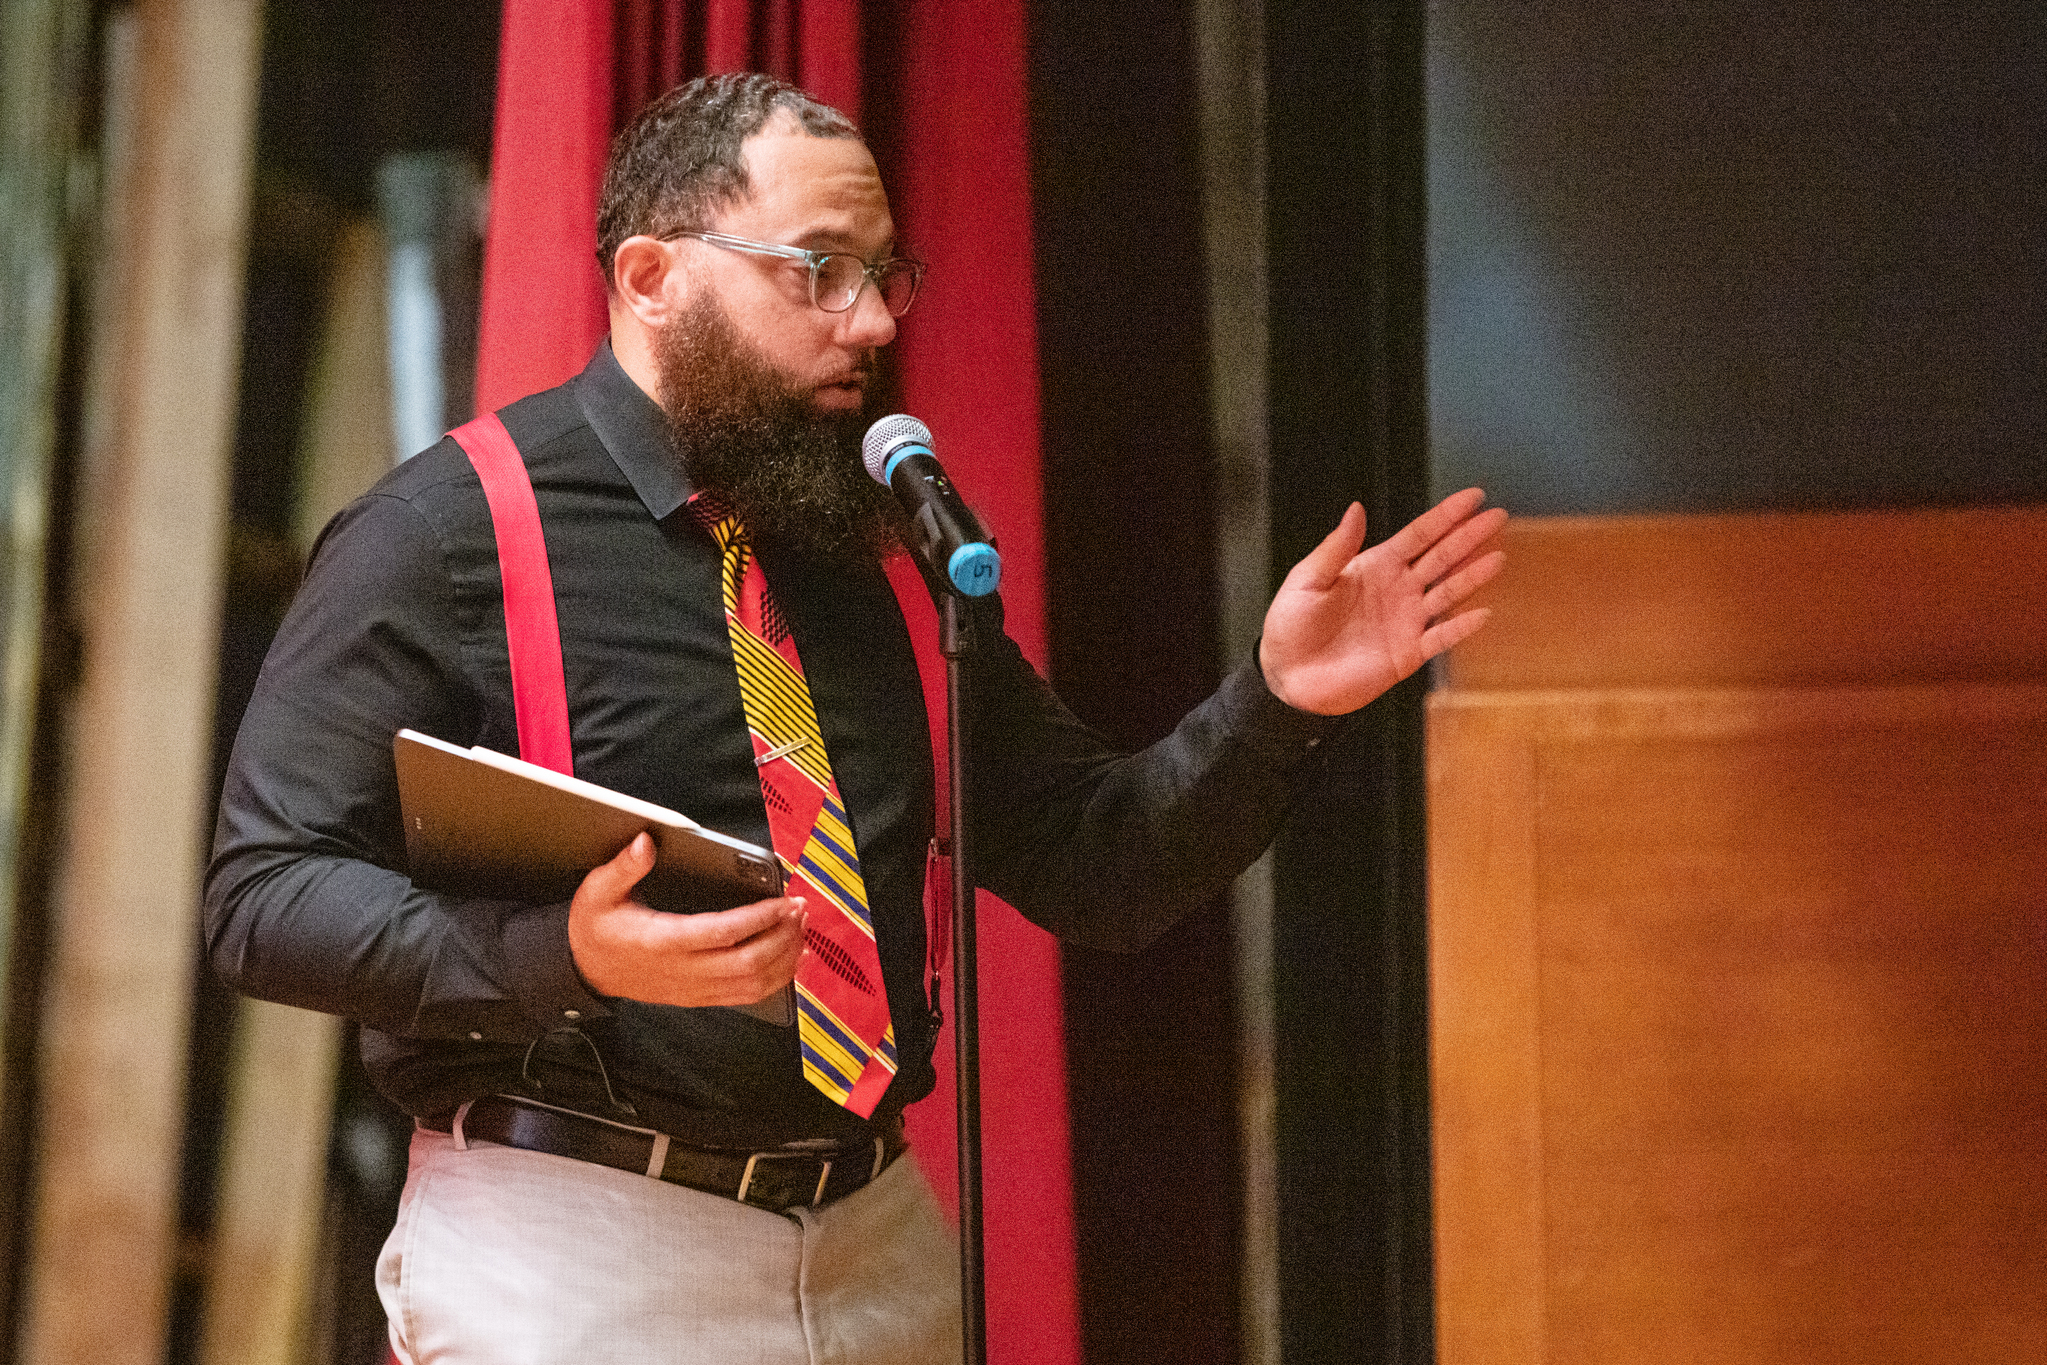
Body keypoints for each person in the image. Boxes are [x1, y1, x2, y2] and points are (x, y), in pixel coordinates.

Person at [205, 73, 1505, 1365]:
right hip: (579, 1246)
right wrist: (565, 953)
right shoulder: (441, 534)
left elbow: (1102, 862)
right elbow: (263, 896)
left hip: (873, 1237)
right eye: (818, 271)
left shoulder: (869, 548)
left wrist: (1278, 702)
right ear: (654, 274)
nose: (874, 319)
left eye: (886, 274)